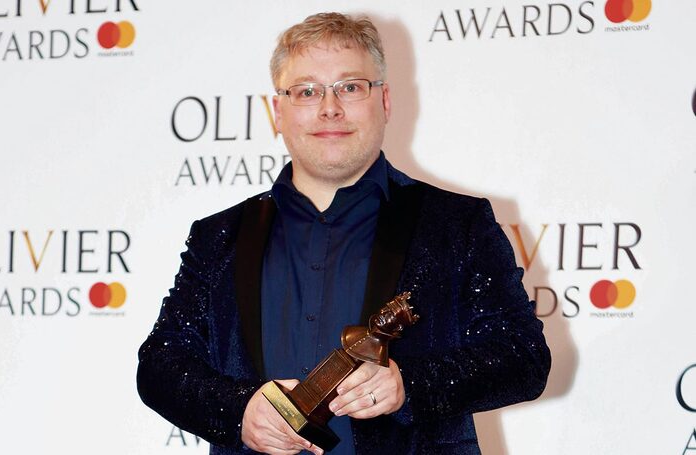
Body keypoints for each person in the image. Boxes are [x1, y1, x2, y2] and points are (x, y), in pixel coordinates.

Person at [137, 12, 551, 455]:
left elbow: (523, 357)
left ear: (385, 101)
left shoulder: (456, 223)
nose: (328, 107)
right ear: (278, 111)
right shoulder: (219, 236)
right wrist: (238, 410)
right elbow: (160, 365)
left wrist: (407, 385)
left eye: (350, 87)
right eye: (307, 91)